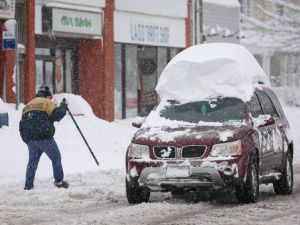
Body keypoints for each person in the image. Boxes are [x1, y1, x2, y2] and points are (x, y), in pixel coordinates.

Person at [19, 86, 69, 190]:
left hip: (32, 140)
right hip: (45, 137)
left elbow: (21, 125)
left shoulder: (27, 105)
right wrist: (63, 105)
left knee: (32, 163)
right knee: (56, 158)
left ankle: (28, 185)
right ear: (47, 96)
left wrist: (27, 140)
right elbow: (57, 116)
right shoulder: (46, 102)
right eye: (50, 97)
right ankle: (59, 181)